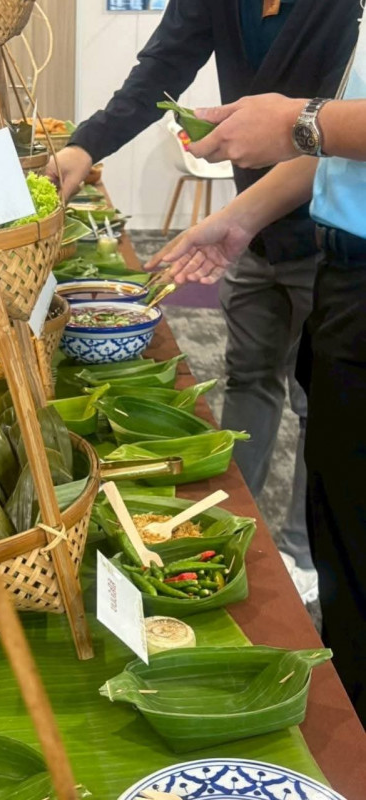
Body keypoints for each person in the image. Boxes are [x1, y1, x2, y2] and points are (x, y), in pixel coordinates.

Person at [48, 0, 360, 598]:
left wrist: (295, 128)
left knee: (318, 402)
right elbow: (161, 67)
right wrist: (86, 145)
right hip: (254, 224)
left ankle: (302, 554)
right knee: (250, 376)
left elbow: (327, 134)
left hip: (331, 239)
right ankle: (237, 525)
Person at [152, 27, 366, 720]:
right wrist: (242, 215)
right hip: (343, 273)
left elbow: (326, 131)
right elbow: (343, 155)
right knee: (342, 537)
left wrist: (303, 121)